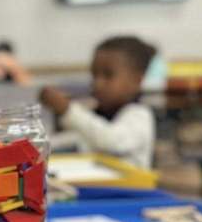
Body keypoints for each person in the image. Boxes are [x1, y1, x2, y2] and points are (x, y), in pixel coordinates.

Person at [40, 36, 157, 170]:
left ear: (137, 80)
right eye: (94, 75)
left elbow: (111, 140)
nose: (97, 83)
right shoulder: (99, 114)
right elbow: (77, 140)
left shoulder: (139, 115)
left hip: (130, 189)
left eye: (108, 75)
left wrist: (68, 110)